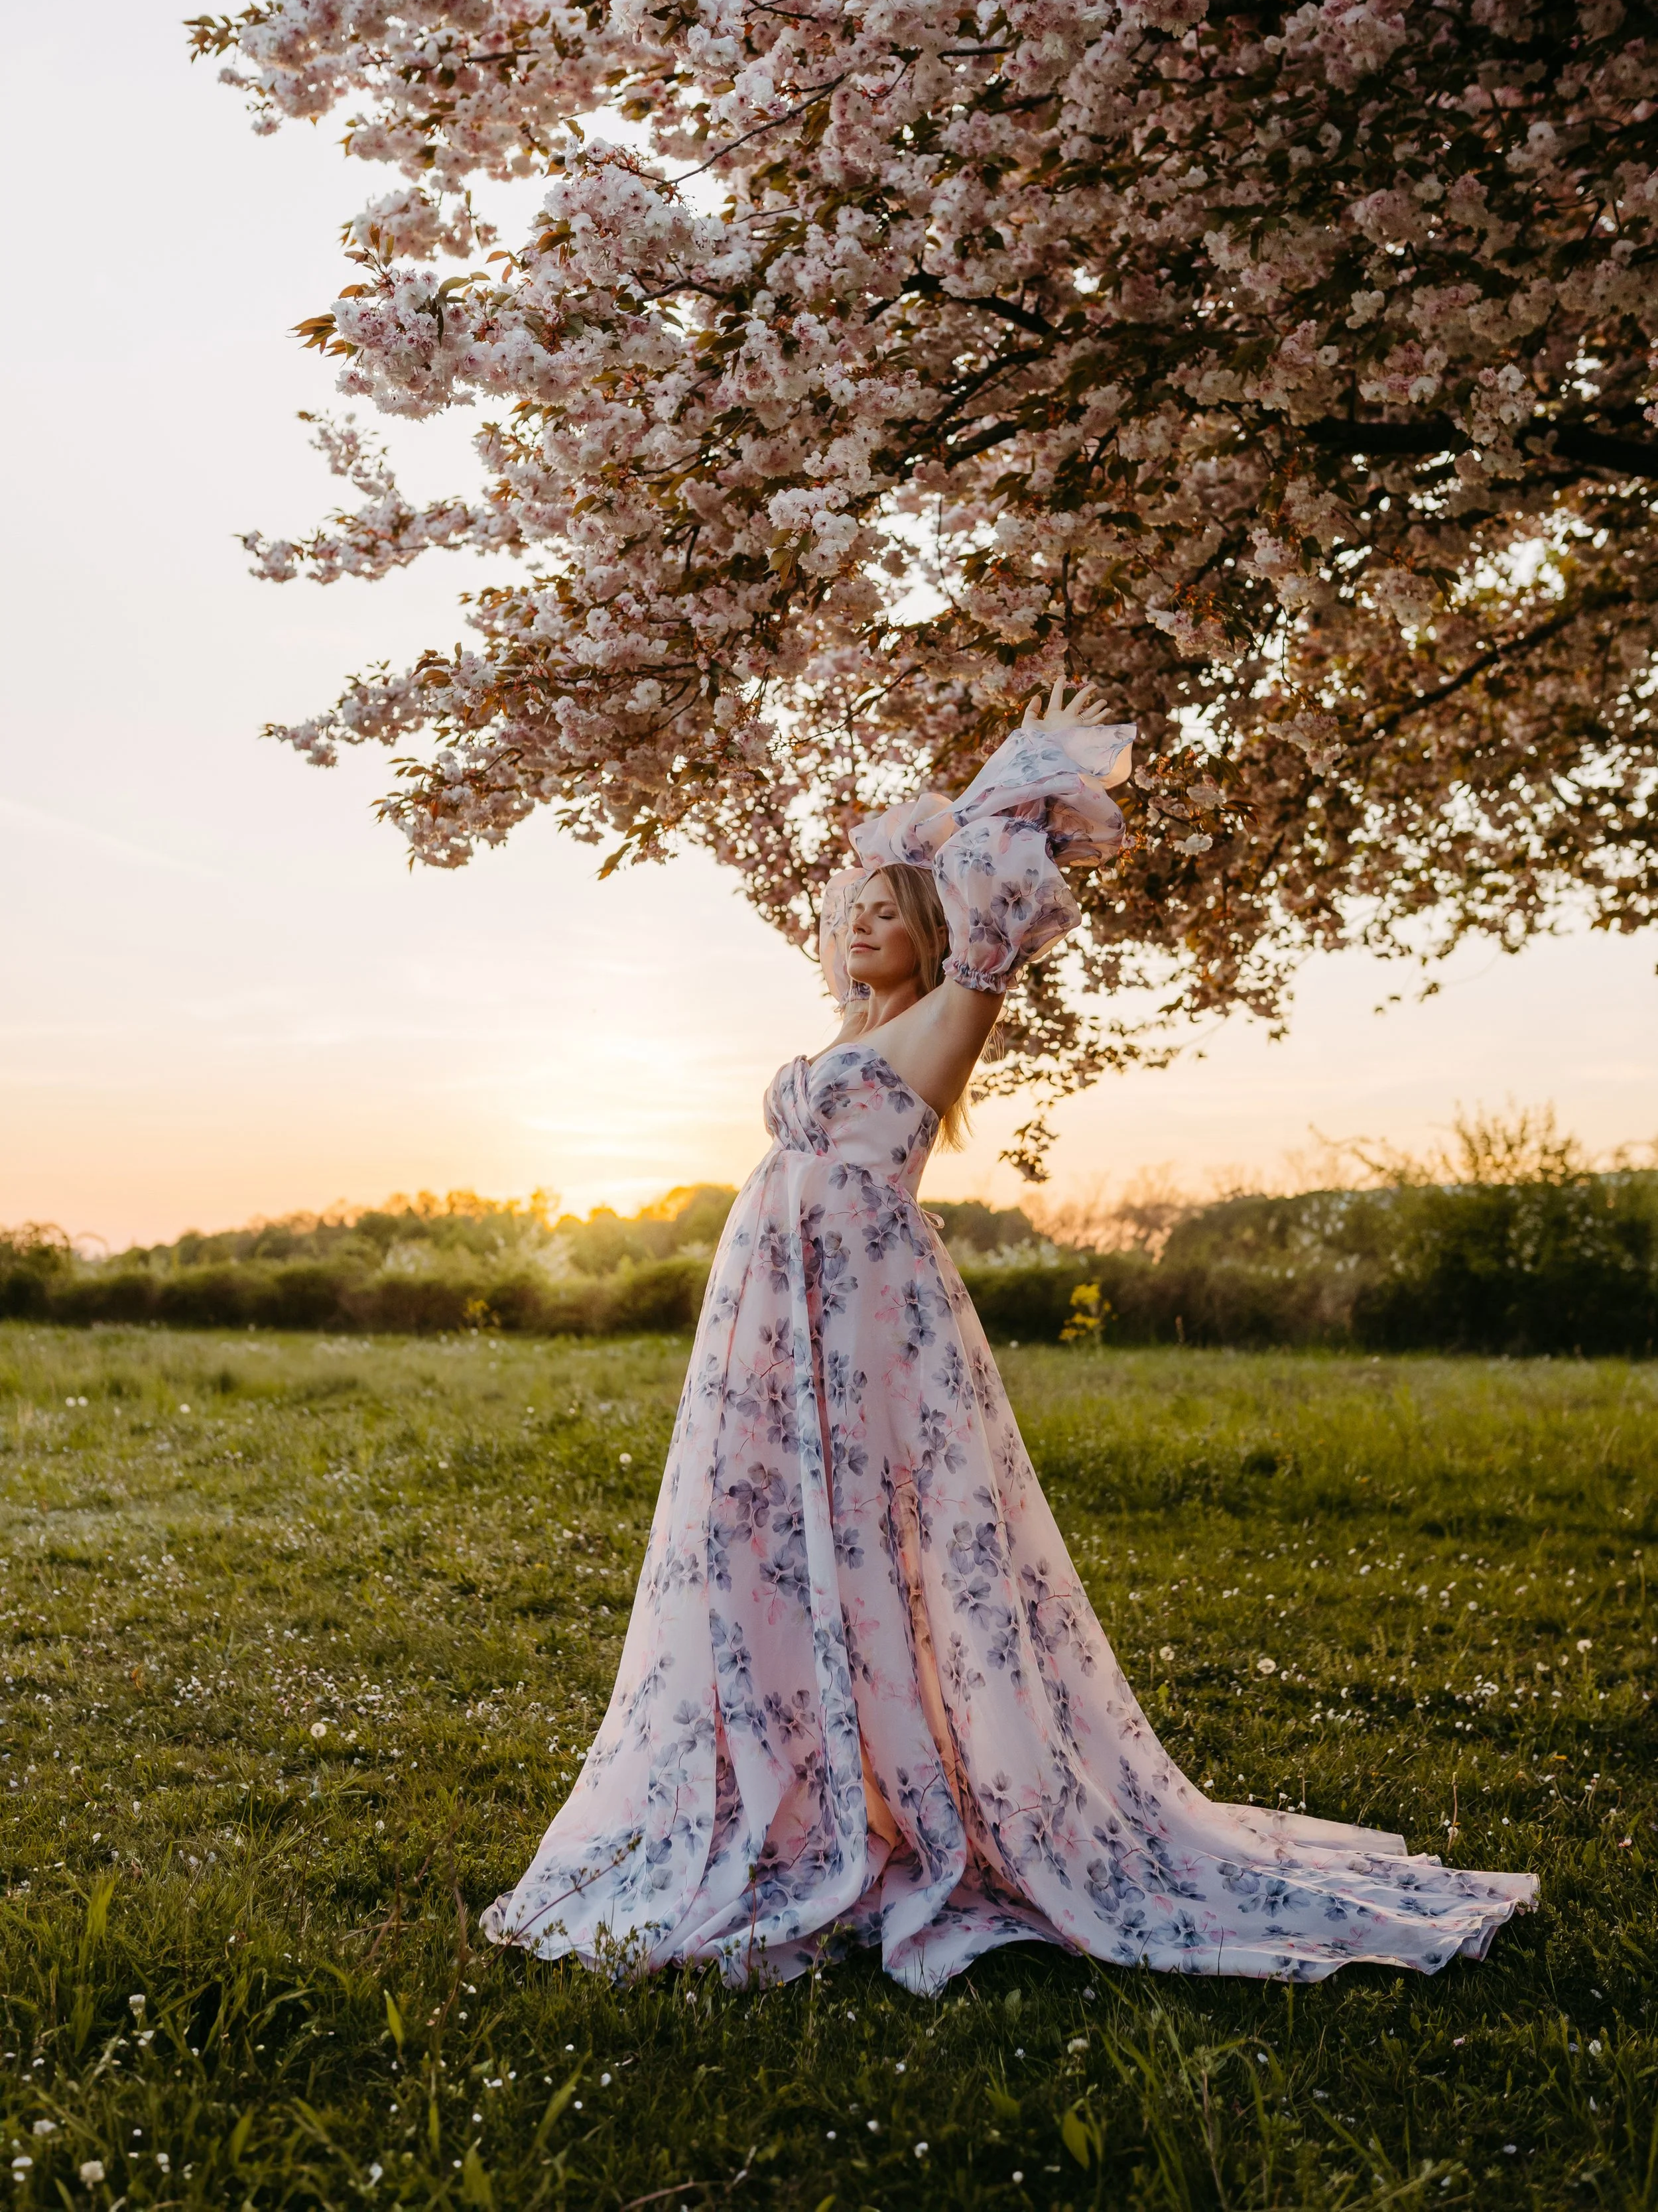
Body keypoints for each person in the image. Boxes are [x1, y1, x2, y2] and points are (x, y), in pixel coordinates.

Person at [482, 682, 1537, 1993]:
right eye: (852, 907)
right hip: (768, 1327)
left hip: (859, 1316)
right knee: (764, 1544)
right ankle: (803, 1792)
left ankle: (918, 1807)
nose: (864, 920)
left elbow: (996, 901)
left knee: (882, 1538)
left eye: (890, 909)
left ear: (932, 934)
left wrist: (1013, 779)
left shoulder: (949, 1014)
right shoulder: (846, 1036)